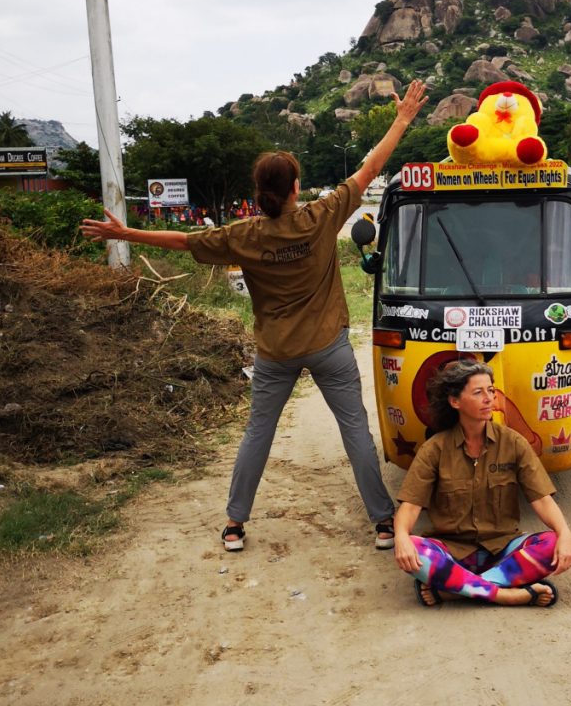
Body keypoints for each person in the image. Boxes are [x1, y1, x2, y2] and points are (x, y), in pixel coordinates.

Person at [81, 80, 428, 553]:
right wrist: (403, 119)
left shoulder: (243, 235)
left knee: (257, 434)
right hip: (329, 345)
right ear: (295, 188)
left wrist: (125, 233)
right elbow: (371, 168)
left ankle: (234, 524)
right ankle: (384, 523)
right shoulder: (322, 216)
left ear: (260, 192)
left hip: (275, 352)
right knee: (354, 432)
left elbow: (183, 242)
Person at [393, 359, 571, 608]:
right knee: (415, 549)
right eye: (478, 392)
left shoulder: (513, 443)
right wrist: (401, 537)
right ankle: (505, 593)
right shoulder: (434, 449)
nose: (489, 398)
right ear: (455, 401)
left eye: (490, 390)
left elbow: (542, 499)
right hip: (452, 551)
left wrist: (565, 534)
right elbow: (410, 506)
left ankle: (457, 589)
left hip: (502, 550)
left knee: (551, 544)